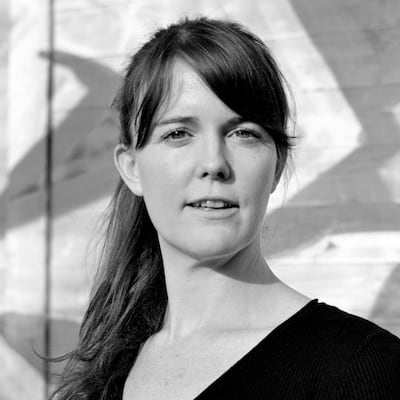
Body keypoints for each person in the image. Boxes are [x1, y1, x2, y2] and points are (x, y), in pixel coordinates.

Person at [52, 17, 400, 400]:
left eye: (243, 133)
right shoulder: (108, 366)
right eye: (178, 134)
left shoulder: (364, 370)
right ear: (132, 168)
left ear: (277, 166)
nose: (214, 163)